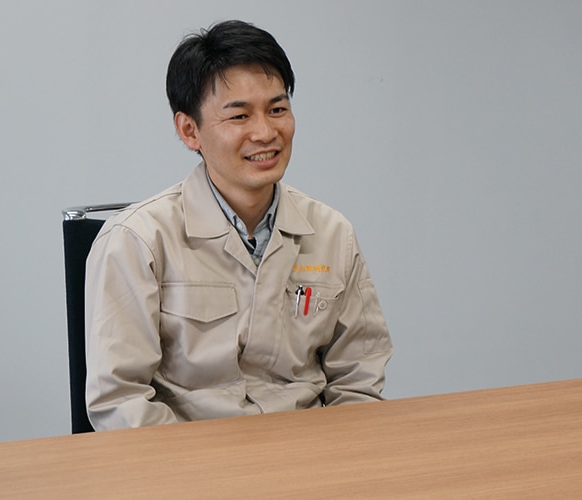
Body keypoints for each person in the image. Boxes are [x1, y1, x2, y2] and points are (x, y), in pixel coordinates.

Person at [85, 20, 393, 430]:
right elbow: (121, 402)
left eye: (277, 109)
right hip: (190, 470)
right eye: (239, 116)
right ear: (189, 130)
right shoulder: (138, 241)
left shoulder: (333, 233)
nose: (265, 132)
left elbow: (358, 382)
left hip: (311, 459)